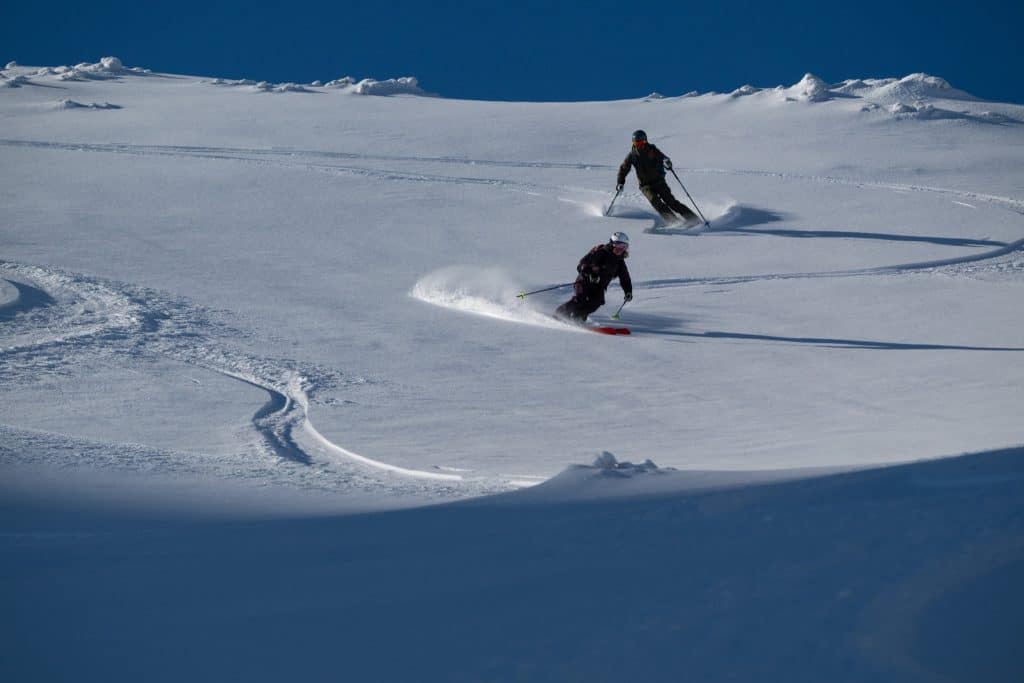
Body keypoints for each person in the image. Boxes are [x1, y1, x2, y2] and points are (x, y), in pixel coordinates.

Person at [616, 129, 699, 226]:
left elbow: (663, 157)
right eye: (636, 143)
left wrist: (667, 162)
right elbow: (623, 169)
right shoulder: (632, 155)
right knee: (655, 202)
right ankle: (674, 221)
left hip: (658, 182)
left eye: (640, 143)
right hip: (645, 186)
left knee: (671, 202)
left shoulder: (652, 150)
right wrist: (620, 182)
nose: (638, 146)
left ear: (645, 141)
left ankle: (694, 219)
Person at [554, 232, 633, 322]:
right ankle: (559, 314)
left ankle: (577, 318)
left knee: (596, 302)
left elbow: (625, 278)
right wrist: (590, 273)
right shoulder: (601, 252)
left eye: (624, 246)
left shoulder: (619, 262)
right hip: (585, 281)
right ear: (612, 244)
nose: (620, 249)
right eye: (618, 245)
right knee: (580, 300)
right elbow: (582, 265)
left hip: (599, 287)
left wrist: (628, 291)